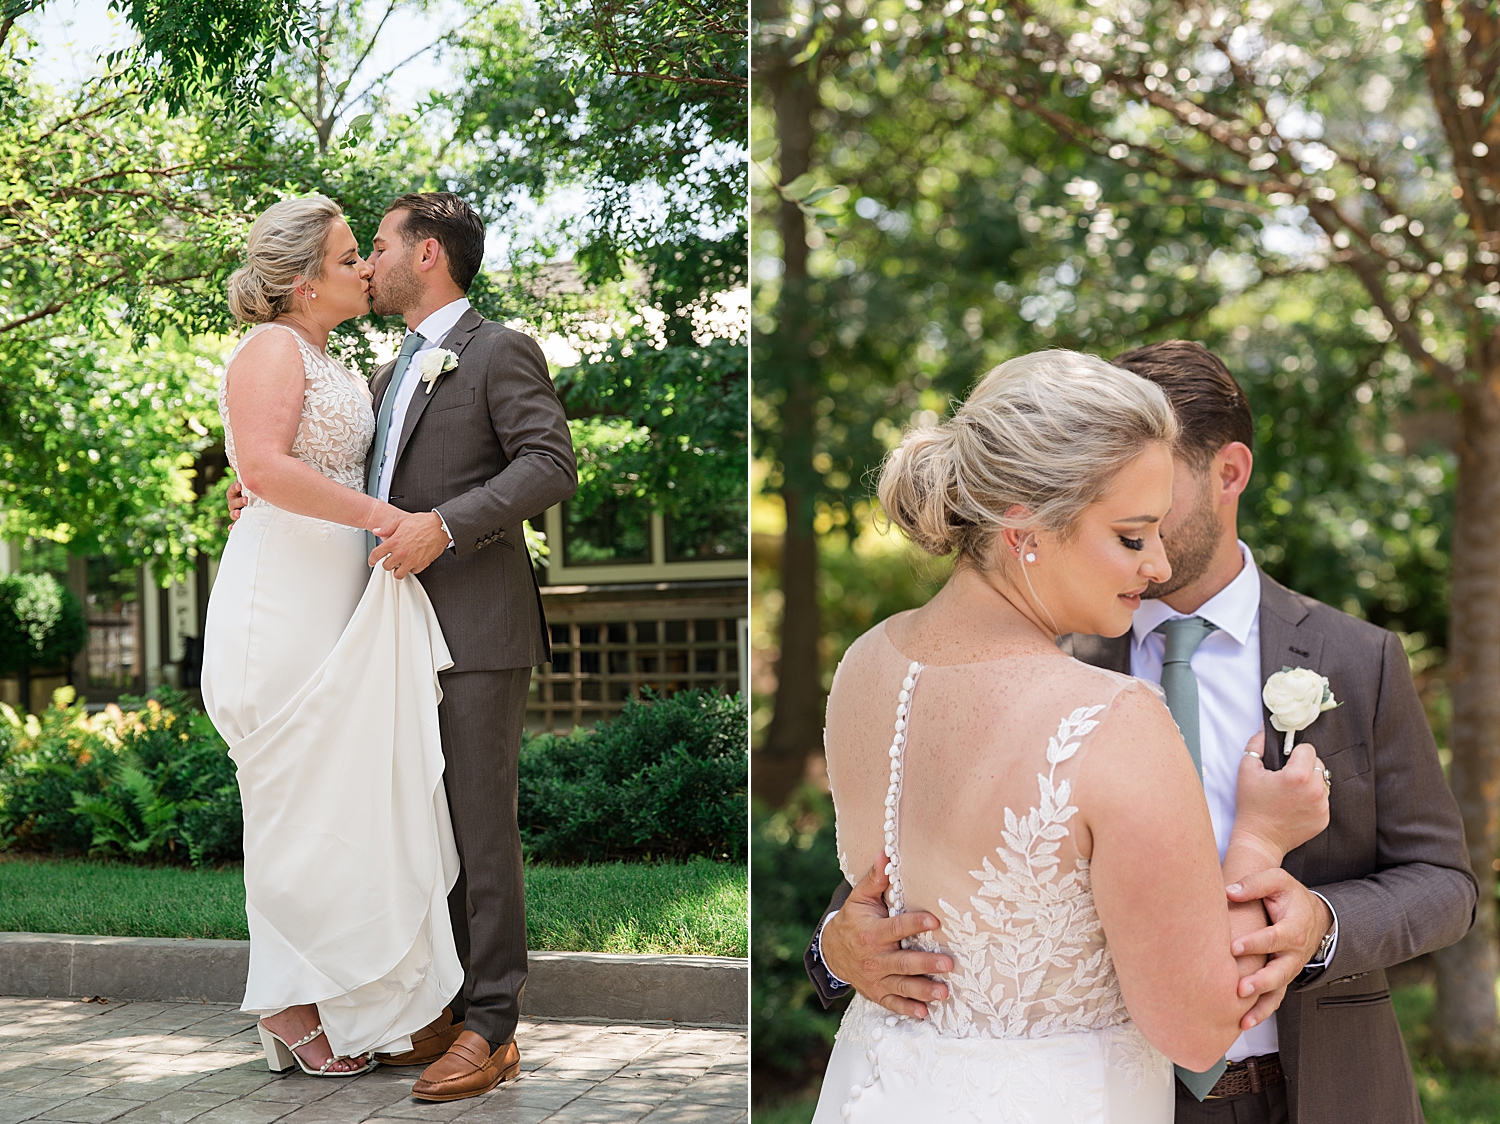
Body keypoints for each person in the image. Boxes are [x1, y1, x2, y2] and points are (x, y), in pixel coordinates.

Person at [806, 342, 1477, 1124]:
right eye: (1132, 532)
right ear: (1032, 523)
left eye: (1160, 519)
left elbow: (1446, 882)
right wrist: (835, 945)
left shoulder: (1356, 659)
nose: (1153, 562)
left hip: (1312, 1091)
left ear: (1229, 473)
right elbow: (905, 875)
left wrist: (1324, 926)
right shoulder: (1086, 686)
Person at [219, 191, 578, 1101]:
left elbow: (549, 462)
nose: (367, 263)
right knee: (421, 819)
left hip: (476, 624)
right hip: (376, 629)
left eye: (376, 247)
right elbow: (315, 465)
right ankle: (444, 1006)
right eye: (355, 252)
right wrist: (262, 496)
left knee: (481, 825)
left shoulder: (500, 349)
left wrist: (443, 529)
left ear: (427, 256)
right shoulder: (380, 374)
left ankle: (492, 1027)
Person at [204, 194, 463, 1078]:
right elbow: (267, 467)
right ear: (305, 279)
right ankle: (283, 998)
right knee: (289, 805)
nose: (364, 268)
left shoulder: (337, 361)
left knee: (333, 809)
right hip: (279, 603)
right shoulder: (272, 349)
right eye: (350, 256)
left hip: (337, 599)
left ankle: (342, 993)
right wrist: (385, 516)